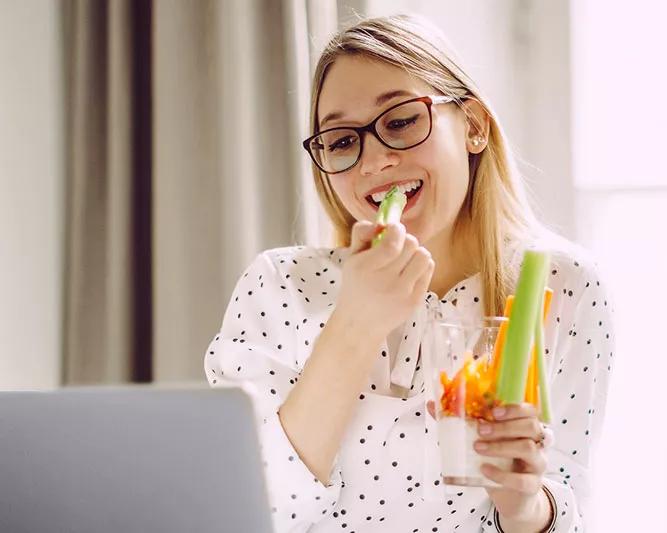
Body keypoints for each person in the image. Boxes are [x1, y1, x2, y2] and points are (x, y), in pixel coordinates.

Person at [204, 14, 615, 533]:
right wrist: (354, 325)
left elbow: (566, 494)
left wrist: (525, 506)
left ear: (473, 126)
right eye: (341, 141)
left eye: (399, 122)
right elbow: (253, 514)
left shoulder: (562, 286)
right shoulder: (281, 285)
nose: (373, 161)